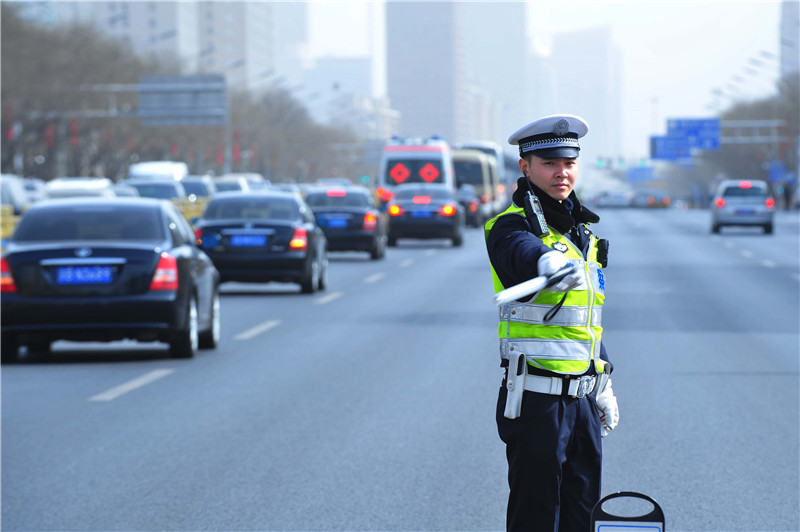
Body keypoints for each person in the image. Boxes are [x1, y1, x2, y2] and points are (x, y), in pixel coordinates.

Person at [484, 114, 620, 532]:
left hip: (582, 399)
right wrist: (544, 259)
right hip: (536, 401)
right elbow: (517, 248)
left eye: (569, 163)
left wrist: (603, 380)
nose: (562, 172)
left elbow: (585, 323)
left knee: (583, 516)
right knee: (537, 518)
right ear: (525, 167)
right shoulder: (510, 226)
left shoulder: (582, 234)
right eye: (549, 163)